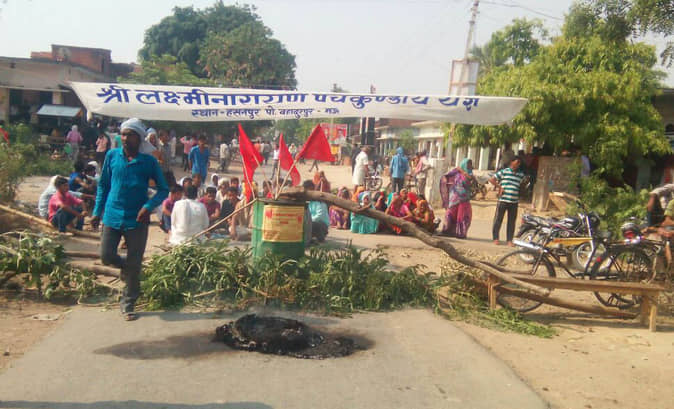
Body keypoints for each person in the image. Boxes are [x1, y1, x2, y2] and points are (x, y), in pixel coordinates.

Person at [92, 117, 168, 321]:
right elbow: (103, 185)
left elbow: (163, 189)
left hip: (137, 219)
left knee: (135, 261)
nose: (125, 138)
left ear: (139, 138)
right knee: (106, 256)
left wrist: (148, 207)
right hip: (112, 215)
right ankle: (127, 268)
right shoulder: (112, 156)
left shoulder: (149, 162)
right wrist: (97, 211)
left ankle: (128, 303)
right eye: (123, 134)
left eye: (130, 135)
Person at [490, 156, 526, 246]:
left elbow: (523, 184)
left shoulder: (520, 174)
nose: (517, 165)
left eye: (519, 163)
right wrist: (500, 187)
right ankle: (495, 238)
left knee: (511, 222)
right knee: (498, 220)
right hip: (503, 200)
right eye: (516, 163)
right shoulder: (504, 171)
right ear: (511, 162)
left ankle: (509, 240)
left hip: (514, 201)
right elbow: (492, 179)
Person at [439, 158, 474, 238]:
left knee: (462, 215)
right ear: (463, 164)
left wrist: (462, 170)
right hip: (454, 197)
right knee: (450, 213)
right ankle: (447, 231)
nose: (469, 166)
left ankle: (460, 233)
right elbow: (446, 177)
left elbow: (469, 178)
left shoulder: (469, 173)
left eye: (470, 164)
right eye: (468, 164)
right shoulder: (456, 172)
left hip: (464, 198)